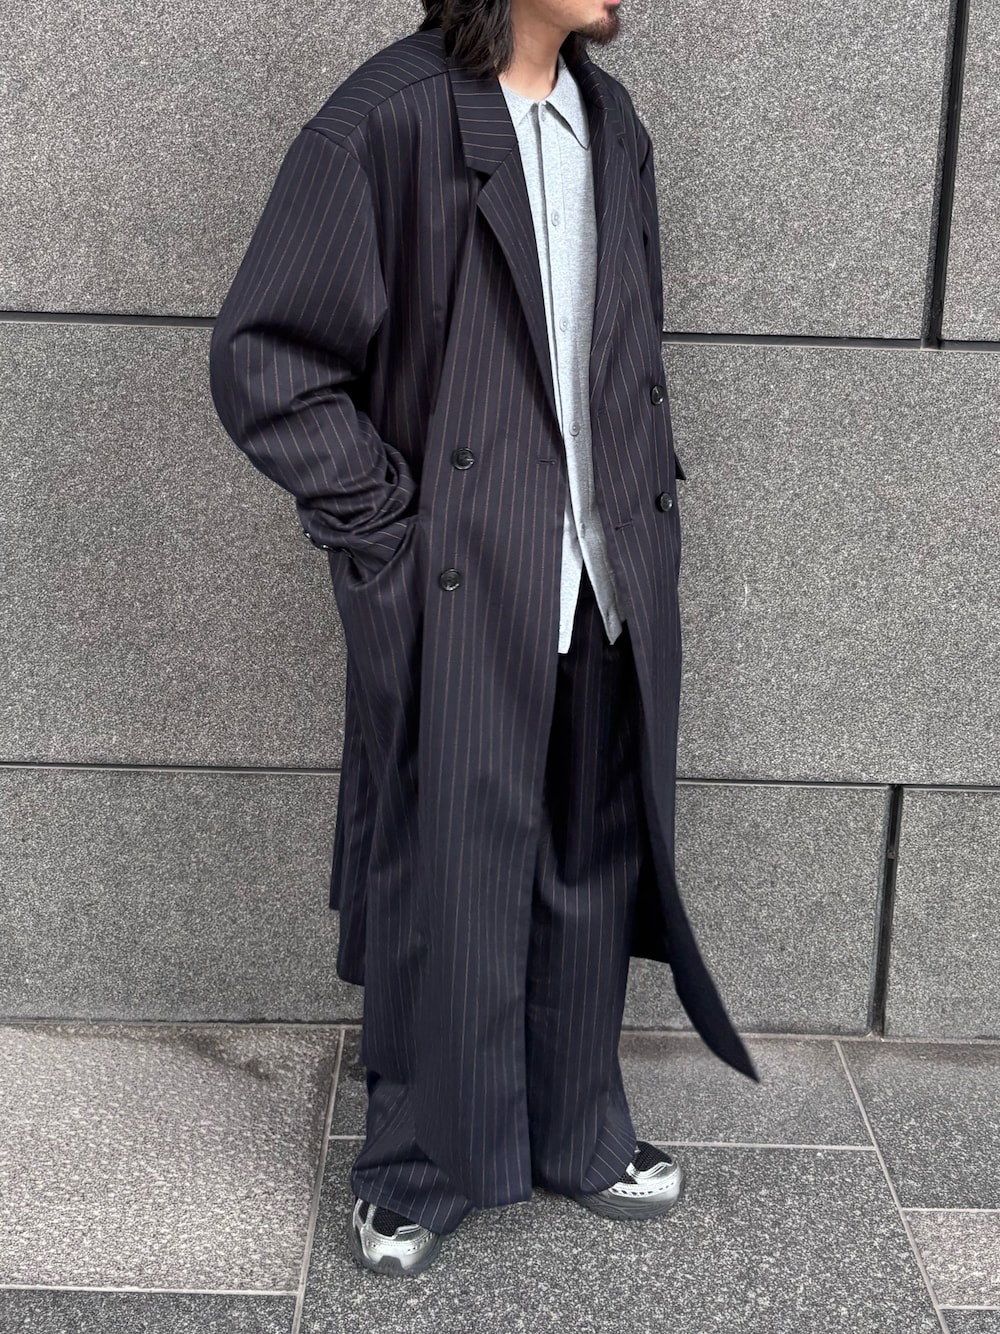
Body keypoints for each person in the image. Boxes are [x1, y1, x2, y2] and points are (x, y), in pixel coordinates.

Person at [209, 0, 758, 1279]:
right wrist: (386, 527)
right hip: (460, 579)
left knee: (593, 852)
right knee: (440, 872)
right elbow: (266, 357)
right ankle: (414, 1165)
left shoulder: (610, 122)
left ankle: (577, 1127)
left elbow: (617, 346)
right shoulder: (386, 120)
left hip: (606, 563)